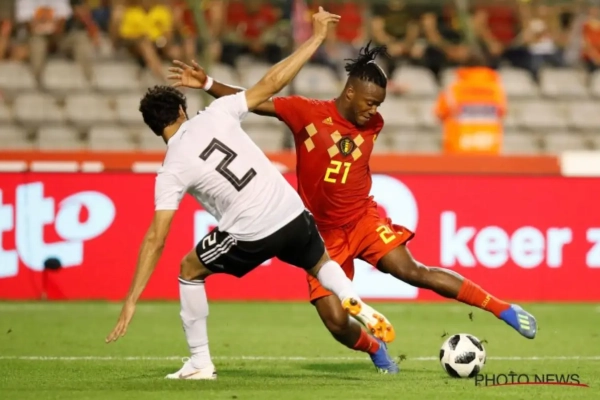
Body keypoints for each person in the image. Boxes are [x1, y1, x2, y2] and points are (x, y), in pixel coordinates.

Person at [168, 42, 539, 375]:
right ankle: (374, 348)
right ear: (349, 92)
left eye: (378, 104)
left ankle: (502, 308)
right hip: (320, 234)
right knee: (335, 321)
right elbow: (251, 100)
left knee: (411, 270)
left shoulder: (372, 123)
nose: (374, 111)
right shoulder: (305, 113)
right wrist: (207, 83)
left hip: (362, 219)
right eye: (370, 102)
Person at [105, 8, 396, 380]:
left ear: (153, 127)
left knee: (189, 270)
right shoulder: (217, 112)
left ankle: (199, 363)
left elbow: (155, 239)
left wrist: (131, 299)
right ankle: (348, 294)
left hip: (252, 228)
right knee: (320, 262)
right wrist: (316, 38)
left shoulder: (171, 168)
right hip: (293, 210)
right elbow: (272, 82)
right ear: (182, 109)